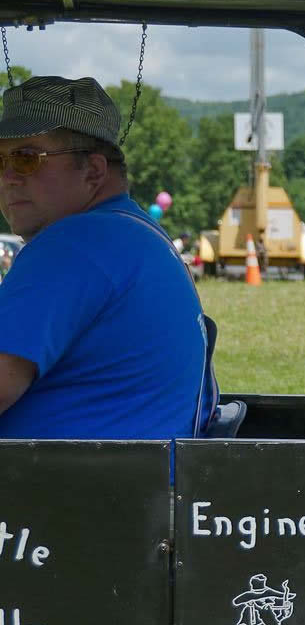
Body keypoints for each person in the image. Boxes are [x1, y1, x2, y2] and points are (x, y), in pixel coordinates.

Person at [0, 75, 215, 439]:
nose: (7, 177)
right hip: (127, 468)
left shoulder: (76, 244)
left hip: (66, 476)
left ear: (94, 171)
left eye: (26, 159)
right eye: (0, 160)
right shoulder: (135, 232)